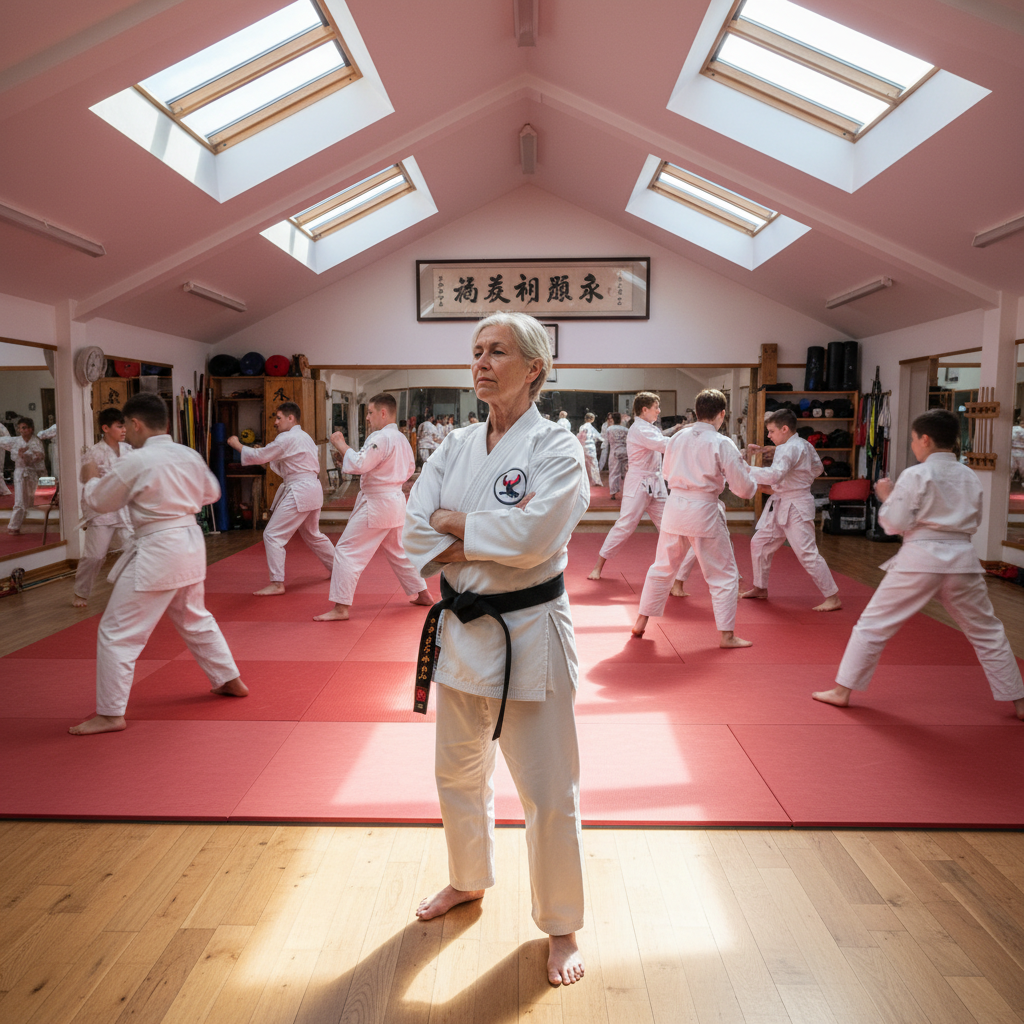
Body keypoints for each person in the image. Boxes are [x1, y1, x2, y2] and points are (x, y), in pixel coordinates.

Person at [403, 310, 589, 987]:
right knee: (456, 774)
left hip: (530, 633)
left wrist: (456, 526)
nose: (481, 362)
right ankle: (467, 878)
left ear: (534, 367)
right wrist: (479, 534)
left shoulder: (557, 447)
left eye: (497, 351)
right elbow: (414, 531)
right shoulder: (454, 444)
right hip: (461, 631)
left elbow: (535, 539)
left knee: (548, 790)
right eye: (476, 350)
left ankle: (562, 924)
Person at [813, 409, 1024, 718]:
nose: (913, 445)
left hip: (920, 560)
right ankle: (1020, 700)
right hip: (962, 561)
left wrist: (887, 497)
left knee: (873, 625)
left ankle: (842, 690)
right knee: (988, 632)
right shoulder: (969, 475)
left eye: (913, 439)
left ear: (925, 439)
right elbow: (975, 519)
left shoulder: (917, 474)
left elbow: (894, 524)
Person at [69, 393, 247, 736]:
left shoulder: (136, 460)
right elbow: (212, 494)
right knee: (193, 616)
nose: (125, 432)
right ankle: (229, 679)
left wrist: (90, 478)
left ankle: (110, 714)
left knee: (117, 632)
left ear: (136, 423)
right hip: (190, 542)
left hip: (159, 548)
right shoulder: (187, 454)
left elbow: (99, 501)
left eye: (126, 425)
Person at [633, 389, 757, 648]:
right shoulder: (721, 442)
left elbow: (667, 473)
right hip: (703, 511)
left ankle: (641, 622)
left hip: (675, 507)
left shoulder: (678, 437)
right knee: (723, 575)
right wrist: (751, 481)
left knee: (662, 567)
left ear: (697, 412)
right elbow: (744, 489)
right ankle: (727, 636)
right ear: (722, 414)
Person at [314, 393, 432, 621]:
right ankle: (423, 593)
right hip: (395, 501)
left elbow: (360, 463)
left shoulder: (382, 436)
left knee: (346, 551)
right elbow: (408, 469)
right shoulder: (401, 439)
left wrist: (341, 444)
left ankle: (341, 608)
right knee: (399, 551)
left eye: (370, 412)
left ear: (383, 413)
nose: (367, 417)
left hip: (378, 504)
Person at [228, 402, 335, 596]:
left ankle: (277, 583)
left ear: (290, 418)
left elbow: (260, 456)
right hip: (312, 488)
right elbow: (282, 462)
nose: (275, 422)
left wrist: (237, 445)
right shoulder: (305, 437)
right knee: (312, 533)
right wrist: (265, 454)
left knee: (272, 535)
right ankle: (338, 568)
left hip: (300, 490)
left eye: (279, 418)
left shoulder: (287, 438)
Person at [741, 407, 841, 611]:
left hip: (796, 505)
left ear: (784, 429)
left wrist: (746, 469)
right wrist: (799, 479)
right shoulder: (803, 444)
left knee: (806, 552)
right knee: (760, 543)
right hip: (784, 501)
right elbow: (818, 468)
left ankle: (833, 597)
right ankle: (760, 587)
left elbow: (774, 476)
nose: (769, 436)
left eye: (771, 431)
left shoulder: (790, 448)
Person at [588, 393, 690, 592]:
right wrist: (687, 436)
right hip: (639, 483)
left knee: (670, 527)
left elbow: (661, 438)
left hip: (656, 483)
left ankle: (675, 578)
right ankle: (598, 566)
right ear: (645, 409)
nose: (659, 411)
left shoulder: (650, 428)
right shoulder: (639, 429)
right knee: (625, 525)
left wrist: (679, 430)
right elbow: (663, 444)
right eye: (656, 407)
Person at [72, 407, 134, 607]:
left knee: (133, 551)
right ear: (105, 428)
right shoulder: (94, 453)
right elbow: (87, 484)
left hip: (125, 510)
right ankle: (81, 592)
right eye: (119, 426)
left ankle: (134, 592)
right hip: (101, 512)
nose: (123, 430)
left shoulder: (128, 450)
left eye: (124, 426)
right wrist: (89, 514)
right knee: (95, 556)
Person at [0, 417, 57, 533]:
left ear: (31, 429)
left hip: (35, 474)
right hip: (20, 474)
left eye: (24, 428)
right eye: (20, 428)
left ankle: (45, 524)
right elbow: (14, 457)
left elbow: (40, 458)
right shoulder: (17, 441)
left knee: (39, 500)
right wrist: (20, 455)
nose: (21, 430)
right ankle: (14, 526)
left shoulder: (36, 441)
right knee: (19, 501)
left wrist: (32, 456)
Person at [605, 413, 629, 499]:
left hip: (614, 451)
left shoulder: (609, 429)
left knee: (614, 472)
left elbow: (607, 441)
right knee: (627, 472)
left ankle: (613, 493)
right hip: (625, 450)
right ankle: (627, 491)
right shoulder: (626, 430)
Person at [576, 412, 603, 487]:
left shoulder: (581, 427)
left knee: (584, 464)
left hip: (583, 447)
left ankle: (584, 481)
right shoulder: (591, 428)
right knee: (593, 464)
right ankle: (596, 481)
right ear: (592, 419)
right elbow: (599, 437)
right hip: (590, 447)